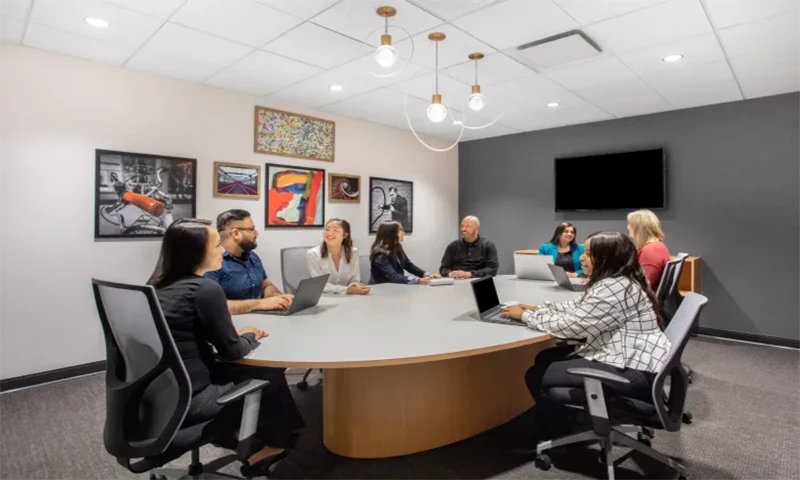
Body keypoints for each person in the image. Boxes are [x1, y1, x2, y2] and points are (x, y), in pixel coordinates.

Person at [147, 219, 304, 476]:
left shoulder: (157, 285)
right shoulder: (205, 289)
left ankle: (246, 434)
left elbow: (187, 334)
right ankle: (273, 444)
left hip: (159, 391)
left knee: (249, 370)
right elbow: (234, 352)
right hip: (192, 396)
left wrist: (230, 335)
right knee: (268, 371)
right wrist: (249, 335)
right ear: (197, 252)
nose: (222, 250)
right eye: (217, 245)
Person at [501, 231, 670, 440]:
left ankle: (556, 432)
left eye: (589, 253)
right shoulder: (618, 281)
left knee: (535, 374)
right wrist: (538, 309)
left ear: (607, 258)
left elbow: (572, 327)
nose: (581, 257)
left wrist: (526, 316)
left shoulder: (611, 289)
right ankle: (565, 418)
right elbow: (578, 308)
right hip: (634, 358)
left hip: (630, 369)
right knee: (544, 357)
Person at [205, 209, 293, 315]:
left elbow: (265, 286)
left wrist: (277, 297)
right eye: (252, 229)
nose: (256, 233)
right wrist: (261, 304)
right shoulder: (212, 263)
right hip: (234, 322)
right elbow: (213, 306)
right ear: (235, 233)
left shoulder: (252, 256)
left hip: (262, 318)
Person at [306, 218, 371, 295]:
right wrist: (347, 289)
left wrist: (355, 286)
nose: (329, 233)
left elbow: (355, 279)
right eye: (327, 229)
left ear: (345, 235)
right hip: (323, 297)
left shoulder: (353, 252)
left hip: (348, 297)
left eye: (335, 230)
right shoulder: (313, 254)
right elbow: (319, 285)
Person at [369, 222, 440, 285]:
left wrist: (427, 275)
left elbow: (408, 265)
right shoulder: (379, 253)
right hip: (381, 289)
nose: (404, 233)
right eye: (400, 230)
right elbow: (393, 277)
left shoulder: (397, 246)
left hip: (395, 287)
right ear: (391, 233)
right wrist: (418, 280)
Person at [627, 209, 671, 290]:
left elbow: (644, 284)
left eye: (630, 224)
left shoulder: (650, 251)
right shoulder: (657, 245)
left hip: (644, 296)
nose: (628, 227)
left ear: (638, 228)